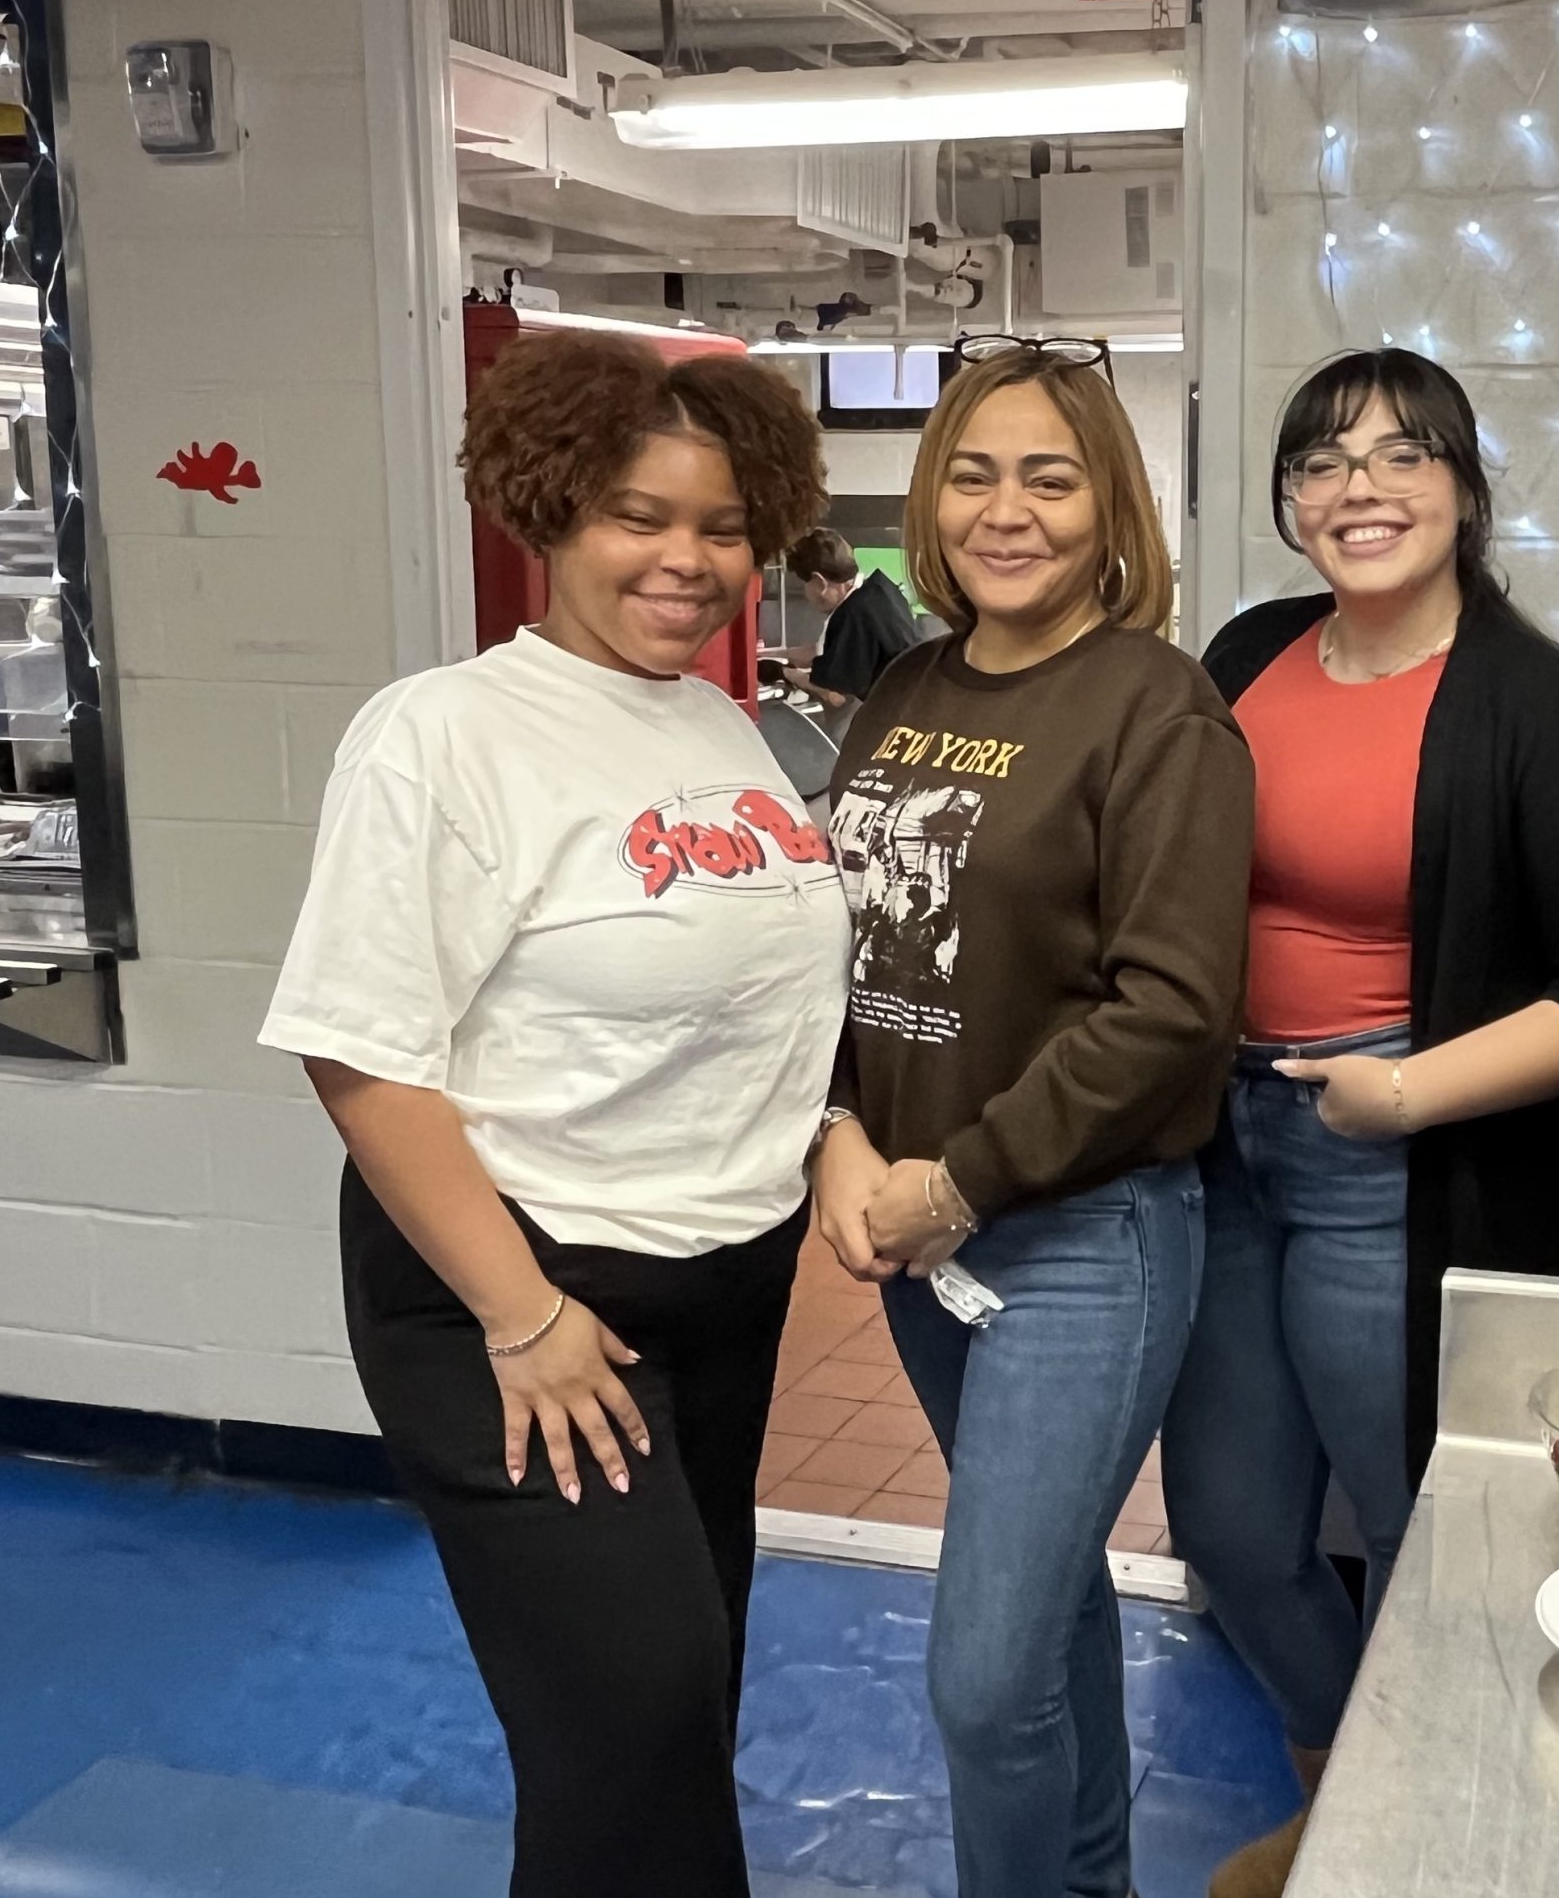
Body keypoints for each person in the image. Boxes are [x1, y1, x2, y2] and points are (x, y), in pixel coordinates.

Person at [259, 333, 845, 1898]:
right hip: (519, 1297)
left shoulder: (725, 729)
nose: (688, 559)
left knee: (675, 1699)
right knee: (635, 1713)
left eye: (722, 525)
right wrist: (523, 1317)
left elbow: (776, 1000)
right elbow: (358, 1055)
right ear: (551, 511)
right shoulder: (442, 732)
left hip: (719, 1289)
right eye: (637, 515)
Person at [1165, 347, 1559, 1897]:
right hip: (1219, 1143)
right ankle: (1343, 1793)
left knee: (1412, 1534)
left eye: (1401, 456)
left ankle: (1413, 1842)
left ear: (1462, 486)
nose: (1360, 489)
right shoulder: (1248, 651)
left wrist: (1407, 1090)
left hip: (1392, 1155)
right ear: (1285, 502)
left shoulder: (1540, 708)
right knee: (1234, 1527)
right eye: (1322, 461)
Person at [810, 336, 1254, 1898]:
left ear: (1109, 508)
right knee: (1053, 1602)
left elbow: (1174, 1007)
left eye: (1051, 478)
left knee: (985, 1675)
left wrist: (963, 1180)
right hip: (923, 1230)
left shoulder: (1158, 705)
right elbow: (834, 939)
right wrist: (839, 1138)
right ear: (932, 500)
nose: (1010, 511)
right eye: (977, 474)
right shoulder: (908, 685)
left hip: (1083, 1236)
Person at [781, 525, 920, 706]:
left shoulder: (854, 615)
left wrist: (789, 675)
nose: (805, 594)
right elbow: (825, 651)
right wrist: (772, 655)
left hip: (895, 713)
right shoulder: (878, 589)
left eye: (804, 585)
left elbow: (836, 696)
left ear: (819, 582)